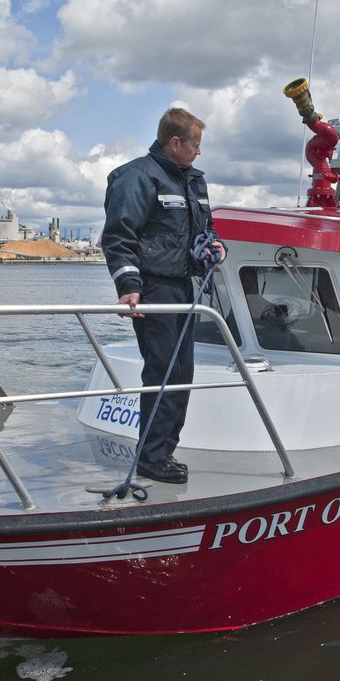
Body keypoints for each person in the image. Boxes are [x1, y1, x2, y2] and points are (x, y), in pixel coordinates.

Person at [101, 107, 226, 484]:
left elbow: (202, 229)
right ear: (174, 143)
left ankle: (162, 451)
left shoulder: (191, 181)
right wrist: (129, 288)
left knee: (181, 372)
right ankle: (152, 458)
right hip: (155, 289)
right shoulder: (137, 178)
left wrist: (213, 245)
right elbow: (119, 236)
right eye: (195, 145)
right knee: (165, 371)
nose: (198, 153)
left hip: (182, 287)